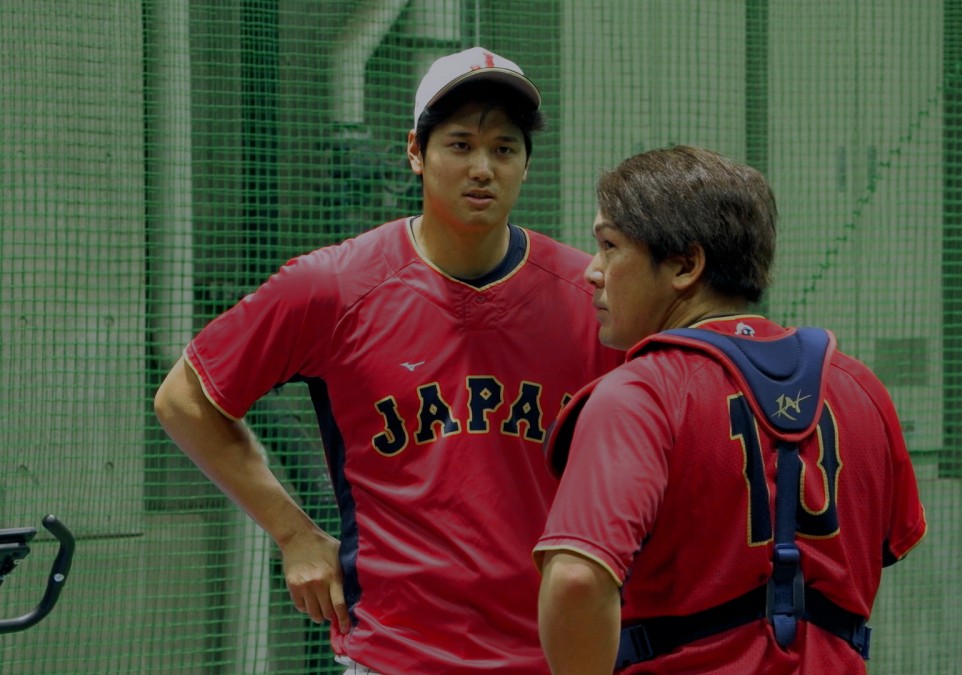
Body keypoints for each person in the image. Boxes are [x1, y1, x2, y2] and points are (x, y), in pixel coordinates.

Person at [154, 47, 622, 674]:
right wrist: (293, 533)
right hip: (394, 656)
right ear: (415, 152)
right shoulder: (334, 287)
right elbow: (185, 399)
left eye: (504, 149)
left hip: (554, 656)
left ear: (526, 166)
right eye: (460, 145)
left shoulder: (588, 297)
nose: (482, 167)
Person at [534, 145, 927, 674]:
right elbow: (886, 546)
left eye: (609, 246)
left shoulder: (640, 395)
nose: (592, 271)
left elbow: (577, 581)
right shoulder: (861, 388)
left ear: (685, 266)